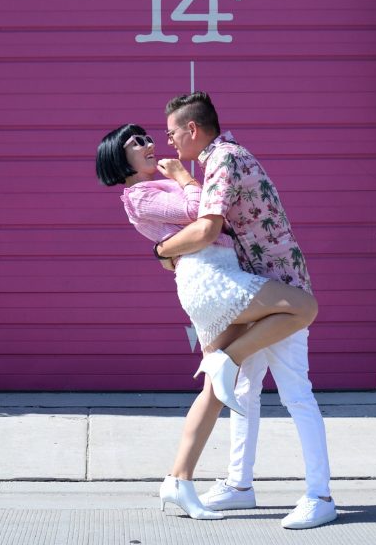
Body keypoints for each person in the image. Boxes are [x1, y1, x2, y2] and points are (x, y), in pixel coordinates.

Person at [96, 122, 318, 521]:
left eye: (147, 138)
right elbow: (200, 214)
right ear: (118, 158)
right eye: (136, 143)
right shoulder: (140, 195)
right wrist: (184, 177)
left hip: (218, 274)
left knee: (217, 390)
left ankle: (178, 480)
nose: (148, 144)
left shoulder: (155, 188)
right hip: (211, 280)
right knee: (301, 307)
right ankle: (227, 362)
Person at [160, 90, 337, 530]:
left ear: (193, 129)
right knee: (243, 393)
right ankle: (240, 486)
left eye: (172, 133)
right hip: (253, 291)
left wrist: (163, 251)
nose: (170, 143)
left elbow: (207, 227)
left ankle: (321, 495)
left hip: (281, 297)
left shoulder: (224, 159)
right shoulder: (221, 159)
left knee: (296, 393)